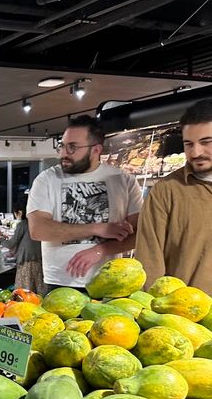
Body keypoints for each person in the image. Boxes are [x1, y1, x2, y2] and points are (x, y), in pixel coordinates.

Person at [27, 115, 142, 292]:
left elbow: (139, 234)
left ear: (96, 150)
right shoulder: (47, 179)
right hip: (60, 283)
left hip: (111, 282)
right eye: (62, 146)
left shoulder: (124, 181)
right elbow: (38, 230)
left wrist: (101, 250)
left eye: (72, 147)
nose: (64, 153)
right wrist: (97, 228)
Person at [136, 100, 212, 291]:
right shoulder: (165, 191)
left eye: (206, 142)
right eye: (189, 144)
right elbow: (149, 261)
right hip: (186, 316)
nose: (196, 152)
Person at [2, 196, 44, 293]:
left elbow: (11, 244)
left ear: (20, 212)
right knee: (38, 290)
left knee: (24, 292)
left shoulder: (23, 224)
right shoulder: (38, 223)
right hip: (40, 261)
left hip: (27, 263)